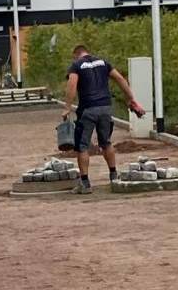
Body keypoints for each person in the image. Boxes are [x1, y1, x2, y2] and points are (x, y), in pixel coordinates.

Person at [62, 45, 146, 194]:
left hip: (87, 109)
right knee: (106, 142)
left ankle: (85, 184)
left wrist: (67, 107)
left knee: (82, 146)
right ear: (87, 52)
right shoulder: (103, 62)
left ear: (76, 55)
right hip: (105, 108)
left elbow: (72, 83)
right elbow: (120, 78)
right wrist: (131, 99)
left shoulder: (76, 65)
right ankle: (114, 177)